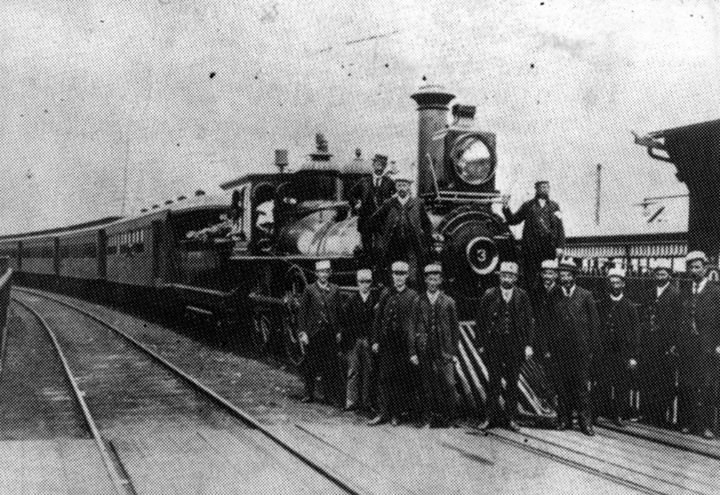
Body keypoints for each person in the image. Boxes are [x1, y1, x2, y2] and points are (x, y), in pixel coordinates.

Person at [475, 261, 534, 432]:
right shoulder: (489, 295)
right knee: (493, 382)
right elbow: (480, 321)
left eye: (511, 276)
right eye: (504, 275)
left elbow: (529, 322)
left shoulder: (522, 296)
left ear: (515, 278)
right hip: (494, 345)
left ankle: (511, 418)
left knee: (512, 383)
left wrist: (528, 345)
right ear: (499, 276)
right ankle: (489, 417)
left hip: (515, 345)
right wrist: (480, 344)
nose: (507, 278)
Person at [550, 257, 598, 436]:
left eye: (568, 274)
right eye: (562, 274)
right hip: (560, 350)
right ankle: (564, 419)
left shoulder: (585, 295)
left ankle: (585, 422)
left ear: (574, 276)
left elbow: (594, 324)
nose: (564, 277)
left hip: (580, 350)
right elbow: (549, 322)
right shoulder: (554, 294)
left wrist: (592, 348)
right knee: (562, 387)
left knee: (581, 387)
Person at [369, 261, 420, 426]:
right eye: (396, 274)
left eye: (401, 274)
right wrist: (376, 340)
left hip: (402, 345)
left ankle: (396, 415)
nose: (398, 278)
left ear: (406, 276)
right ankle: (383, 413)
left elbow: (414, 324)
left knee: (399, 379)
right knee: (384, 378)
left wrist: (412, 349)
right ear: (392, 276)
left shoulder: (412, 296)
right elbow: (378, 320)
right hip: (386, 344)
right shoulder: (386, 294)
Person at [411, 263, 460, 427]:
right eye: (430, 279)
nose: (433, 282)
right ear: (426, 280)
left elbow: (455, 329)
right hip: (424, 349)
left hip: (444, 349)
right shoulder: (418, 301)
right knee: (427, 385)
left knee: (449, 384)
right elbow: (412, 327)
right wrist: (413, 352)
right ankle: (427, 418)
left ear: (441, 281)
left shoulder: (449, 302)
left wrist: (454, 353)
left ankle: (451, 419)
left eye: (436, 279)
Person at [678, 251, 720, 439]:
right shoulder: (685, 290)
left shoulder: (715, 291)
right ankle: (688, 422)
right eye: (691, 267)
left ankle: (706, 426)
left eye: (698, 267)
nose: (694, 271)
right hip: (688, 347)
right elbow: (680, 318)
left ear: (705, 268)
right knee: (687, 385)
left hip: (707, 348)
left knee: (707, 386)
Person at [368, 170, 432, 286]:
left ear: (409, 187)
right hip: (393, 245)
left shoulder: (417, 203)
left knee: (412, 278)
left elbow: (427, 224)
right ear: (396, 187)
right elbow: (374, 220)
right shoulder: (389, 203)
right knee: (393, 276)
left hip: (412, 245)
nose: (401, 188)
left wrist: (425, 239)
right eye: (399, 185)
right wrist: (384, 232)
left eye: (404, 185)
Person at [594, 267, 639, 427]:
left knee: (621, 385)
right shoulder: (601, 304)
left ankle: (619, 415)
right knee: (602, 383)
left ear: (623, 284)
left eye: (618, 282)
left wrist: (633, 356)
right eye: (612, 282)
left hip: (622, 353)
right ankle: (597, 413)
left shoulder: (629, 307)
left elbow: (635, 333)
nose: (615, 285)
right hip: (604, 352)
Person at [640, 259, 681, 426]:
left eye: (663, 273)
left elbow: (678, 321)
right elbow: (643, 315)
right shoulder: (649, 292)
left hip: (665, 344)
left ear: (669, 275)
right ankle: (646, 413)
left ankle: (660, 416)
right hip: (649, 343)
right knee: (647, 378)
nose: (660, 276)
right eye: (657, 273)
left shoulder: (675, 294)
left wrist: (673, 344)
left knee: (663, 381)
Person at [502, 181, 565, 289]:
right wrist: (506, 207)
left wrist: (560, 246)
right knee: (530, 279)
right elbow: (514, 220)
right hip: (531, 250)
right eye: (542, 187)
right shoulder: (528, 205)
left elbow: (560, 227)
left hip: (548, 249)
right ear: (536, 189)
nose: (544, 189)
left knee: (547, 276)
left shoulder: (555, 206)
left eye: (546, 187)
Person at [297, 260, 343, 407]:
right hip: (314, 333)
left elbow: (339, 312)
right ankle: (308, 393)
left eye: (326, 272)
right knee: (311, 364)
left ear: (329, 273)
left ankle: (328, 395)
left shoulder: (335, 289)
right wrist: (303, 332)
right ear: (317, 274)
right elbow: (302, 313)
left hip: (329, 333)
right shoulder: (309, 290)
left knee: (329, 365)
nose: (323, 275)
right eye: (321, 272)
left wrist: (339, 331)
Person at [341, 269, 378, 413]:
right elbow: (344, 319)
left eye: (368, 282)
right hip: (355, 340)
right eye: (362, 282)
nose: (365, 285)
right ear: (357, 283)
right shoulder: (352, 299)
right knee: (353, 371)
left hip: (368, 340)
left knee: (368, 371)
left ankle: (366, 402)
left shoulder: (375, 299)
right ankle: (351, 401)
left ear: (371, 283)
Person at [349, 154, 396, 263]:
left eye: (382, 165)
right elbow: (351, 194)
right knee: (366, 249)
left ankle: (380, 271)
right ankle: (368, 270)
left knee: (382, 248)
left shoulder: (389, 182)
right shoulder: (364, 181)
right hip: (366, 220)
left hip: (382, 221)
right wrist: (356, 204)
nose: (379, 168)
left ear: (384, 167)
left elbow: (396, 197)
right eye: (377, 165)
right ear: (373, 165)